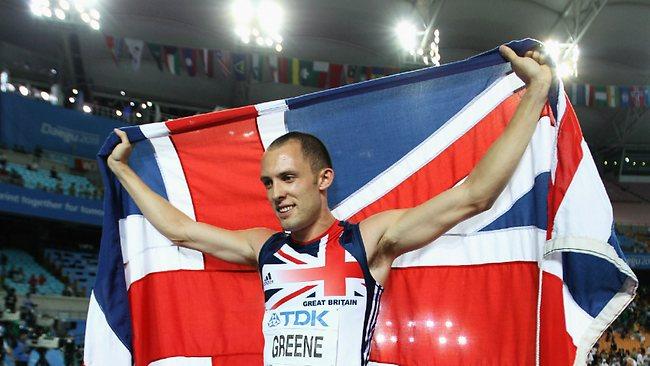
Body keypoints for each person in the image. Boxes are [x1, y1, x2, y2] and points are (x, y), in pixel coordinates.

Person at [108, 45, 551, 365]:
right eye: (267, 182)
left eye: (287, 178)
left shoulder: (368, 240)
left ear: (323, 180)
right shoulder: (264, 248)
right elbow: (180, 231)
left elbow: (475, 194)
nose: (276, 192)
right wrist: (124, 171)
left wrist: (534, 94)